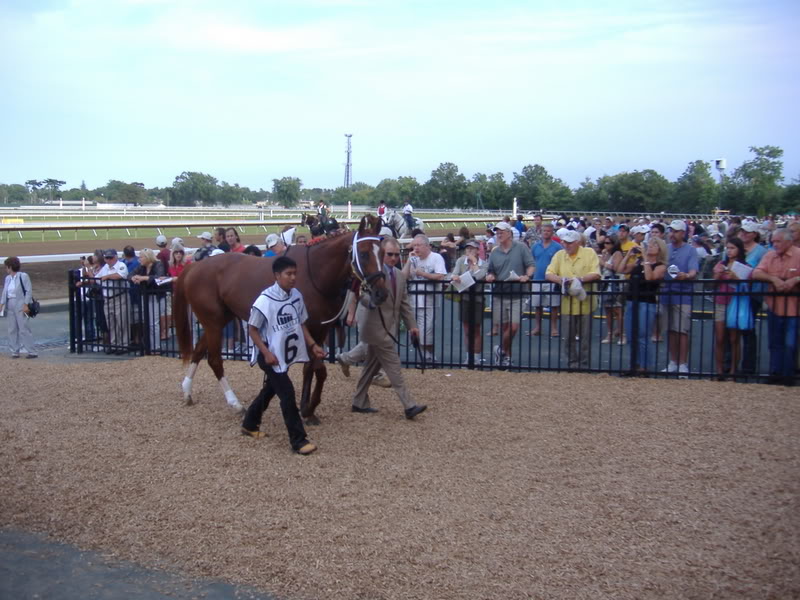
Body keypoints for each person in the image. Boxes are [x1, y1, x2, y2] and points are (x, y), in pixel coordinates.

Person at [241, 256, 324, 454]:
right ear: (277, 276)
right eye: (288, 274)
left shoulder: (296, 295)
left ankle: (250, 423)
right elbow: (252, 329)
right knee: (286, 393)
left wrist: (312, 345)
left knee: (271, 388)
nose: (293, 277)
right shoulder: (264, 300)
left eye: (295, 273)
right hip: (269, 356)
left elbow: (300, 322)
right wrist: (267, 353)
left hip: (282, 354)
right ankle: (299, 440)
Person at [350, 237, 427, 420]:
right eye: (389, 254)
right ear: (382, 254)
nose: (393, 258)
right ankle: (409, 405)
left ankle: (359, 402)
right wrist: (372, 302)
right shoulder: (373, 274)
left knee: (370, 367)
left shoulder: (399, 276)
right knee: (394, 366)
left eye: (396, 255)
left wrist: (413, 326)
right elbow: (360, 295)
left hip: (389, 329)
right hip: (375, 329)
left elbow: (404, 304)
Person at [545, 230, 601, 370]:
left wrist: (579, 280)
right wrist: (562, 281)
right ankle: (572, 364)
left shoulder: (589, 253)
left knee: (585, 337)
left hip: (585, 303)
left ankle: (584, 365)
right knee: (568, 337)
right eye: (564, 242)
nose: (566, 245)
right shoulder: (559, 255)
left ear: (577, 243)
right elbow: (549, 273)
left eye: (569, 243)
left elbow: (596, 273)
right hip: (567, 303)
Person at [753, 228, 800, 386]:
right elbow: (756, 273)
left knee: (790, 343)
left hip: (794, 309)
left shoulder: (798, 255)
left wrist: (794, 280)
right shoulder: (770, 255)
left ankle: (788, 375)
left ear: (788, 241)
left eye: (778, 241)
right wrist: (774, 279)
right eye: (773, 241)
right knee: (774, 342)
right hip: (774, 306)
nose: (774, 244)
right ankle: (775, 373)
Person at [485, 221, 534, 369]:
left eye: (501, 232)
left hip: (517, 293)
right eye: (497, 232)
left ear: (509, 233)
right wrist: (490, 276)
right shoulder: (494, 252)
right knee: (505, 328)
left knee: (513, 327)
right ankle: (507, 356)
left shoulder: (521, 248)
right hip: (500, 293)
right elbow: (491, 270)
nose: (499, 234)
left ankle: (500, 349)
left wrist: (527, 276)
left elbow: (531, 265)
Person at [619, 238, 667, 374]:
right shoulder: (638, 262)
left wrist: (645, 258)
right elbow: (621, 269)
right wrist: (628, 255)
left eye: (654, 245)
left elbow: (649, 277)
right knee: (630, 334)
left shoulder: (660, 266)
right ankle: (633, 364)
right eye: (649, 244)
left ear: (660, 249)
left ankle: (644, 366)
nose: (650, 247)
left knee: (643, 335)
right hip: (631, 300)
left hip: (646, 302)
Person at [660, 220, 699, 377]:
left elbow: (693, 270)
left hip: (682, 294)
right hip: (667, 293)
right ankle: (673, 361)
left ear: (683, 233)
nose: (672, 234)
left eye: (676, 231)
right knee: (670, 330)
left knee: (682, 330)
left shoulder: (690, 250)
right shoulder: (666, 249)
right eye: (671, 231)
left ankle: (683, 363)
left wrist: (687, 275)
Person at [712, 238, 751, 380]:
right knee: (720, 338)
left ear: (739, 249)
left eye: (732, 248)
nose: (729, 251)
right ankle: (719, 370)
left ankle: (733, 371)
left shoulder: (744, 266)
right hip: (721, 302)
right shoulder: (721, 264)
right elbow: (713, 285)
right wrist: (717, 275)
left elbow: (748, 285)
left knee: (734, 338)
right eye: (727, 248)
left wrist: (736, 277)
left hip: (736, 302)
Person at [403, 233, 447, 362]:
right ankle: (424, 355)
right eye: (414, 245)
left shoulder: (436, 258)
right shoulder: (413, 259)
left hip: (430, 299)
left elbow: (440, 276)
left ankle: (428, 355)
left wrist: (422, 273)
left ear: (427, 246)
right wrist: (408, 261)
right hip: (414, 300)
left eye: (418, 245)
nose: (416, 248)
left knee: (427, 329)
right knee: (416, 329)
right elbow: (404, 277)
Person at [737, 220, 768, 375]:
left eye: (747, 231)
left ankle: (748, 365)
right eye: (742, 230)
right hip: (735, 293)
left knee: (748, 329)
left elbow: (762, 271)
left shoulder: (761, 251)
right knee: (734, 329)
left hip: (751, 294)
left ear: (755, 234)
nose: (743, 233)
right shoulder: (737, 248)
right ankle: (732, 364)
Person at [450, 240, 488, 364]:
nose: (469, 251)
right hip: (465, 298)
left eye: (472, 249)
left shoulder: (484, 264)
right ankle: (469, 357)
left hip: (477, 299)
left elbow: (480, 275)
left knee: (476, 329)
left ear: (478, 251)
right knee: (466, 329)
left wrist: (475, 262)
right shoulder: (461, 261)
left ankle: (476, 358)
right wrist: (455, 277)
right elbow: (453, 274)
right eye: (467, 249)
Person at [130, 248, 168, 349]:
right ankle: (149, 346)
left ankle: (156, 347)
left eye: (141, 257)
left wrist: (143, 278)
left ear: (147, 257)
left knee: (153, 323)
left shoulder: (158, 264)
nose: (140, 259)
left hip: (156, 297)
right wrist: (133, 278)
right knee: (147, 322)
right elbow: (130, 274)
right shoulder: (141, 267)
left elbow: (159, 277)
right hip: (145, 296)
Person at [529, 223, 562, 337]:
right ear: (541, 232)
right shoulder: (535, 246)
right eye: (544, 231)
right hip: (537, 279)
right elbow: (531, 261)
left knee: (554, 306)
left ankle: (554, 328)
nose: (546, 233)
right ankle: (537, 327)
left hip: (552, 280)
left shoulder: (558, 247)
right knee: (538, 305)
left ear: (552, 232)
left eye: (548, 231)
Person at [1, 257, 37, 358]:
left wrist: (26, 304)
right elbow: (5, 292)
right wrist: (2, 303)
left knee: (23, 328)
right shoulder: (8, 278)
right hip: (10, 303)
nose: (6, 269)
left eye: (6, 267)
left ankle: (31, 351)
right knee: (12, 328)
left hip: (20, 303)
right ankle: (14, 351)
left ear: (10, 267)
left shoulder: (23, 276)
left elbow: (28, 291)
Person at [96, 248, 130, 355]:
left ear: (115, 257)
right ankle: (114, 344)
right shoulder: (105, 267)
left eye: (110, 258)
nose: (108, 260)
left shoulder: (121, 265)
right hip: (107, 299)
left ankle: (124, 345)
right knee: (111, 323)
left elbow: (120, 275)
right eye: (106, 258)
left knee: (122, 322)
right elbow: (97, 278)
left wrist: (107, 276)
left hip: (120, 297)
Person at [599, 234, 625, 344]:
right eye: (604, 243)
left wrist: (603, 262)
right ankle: (609, 334)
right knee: (608, 310)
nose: (605, 245)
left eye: (608, 243)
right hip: (605, 283)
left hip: (615, 284)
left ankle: (622, 334)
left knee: (617, 311)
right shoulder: (606, 254)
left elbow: (616, 268)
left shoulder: (617, 253)